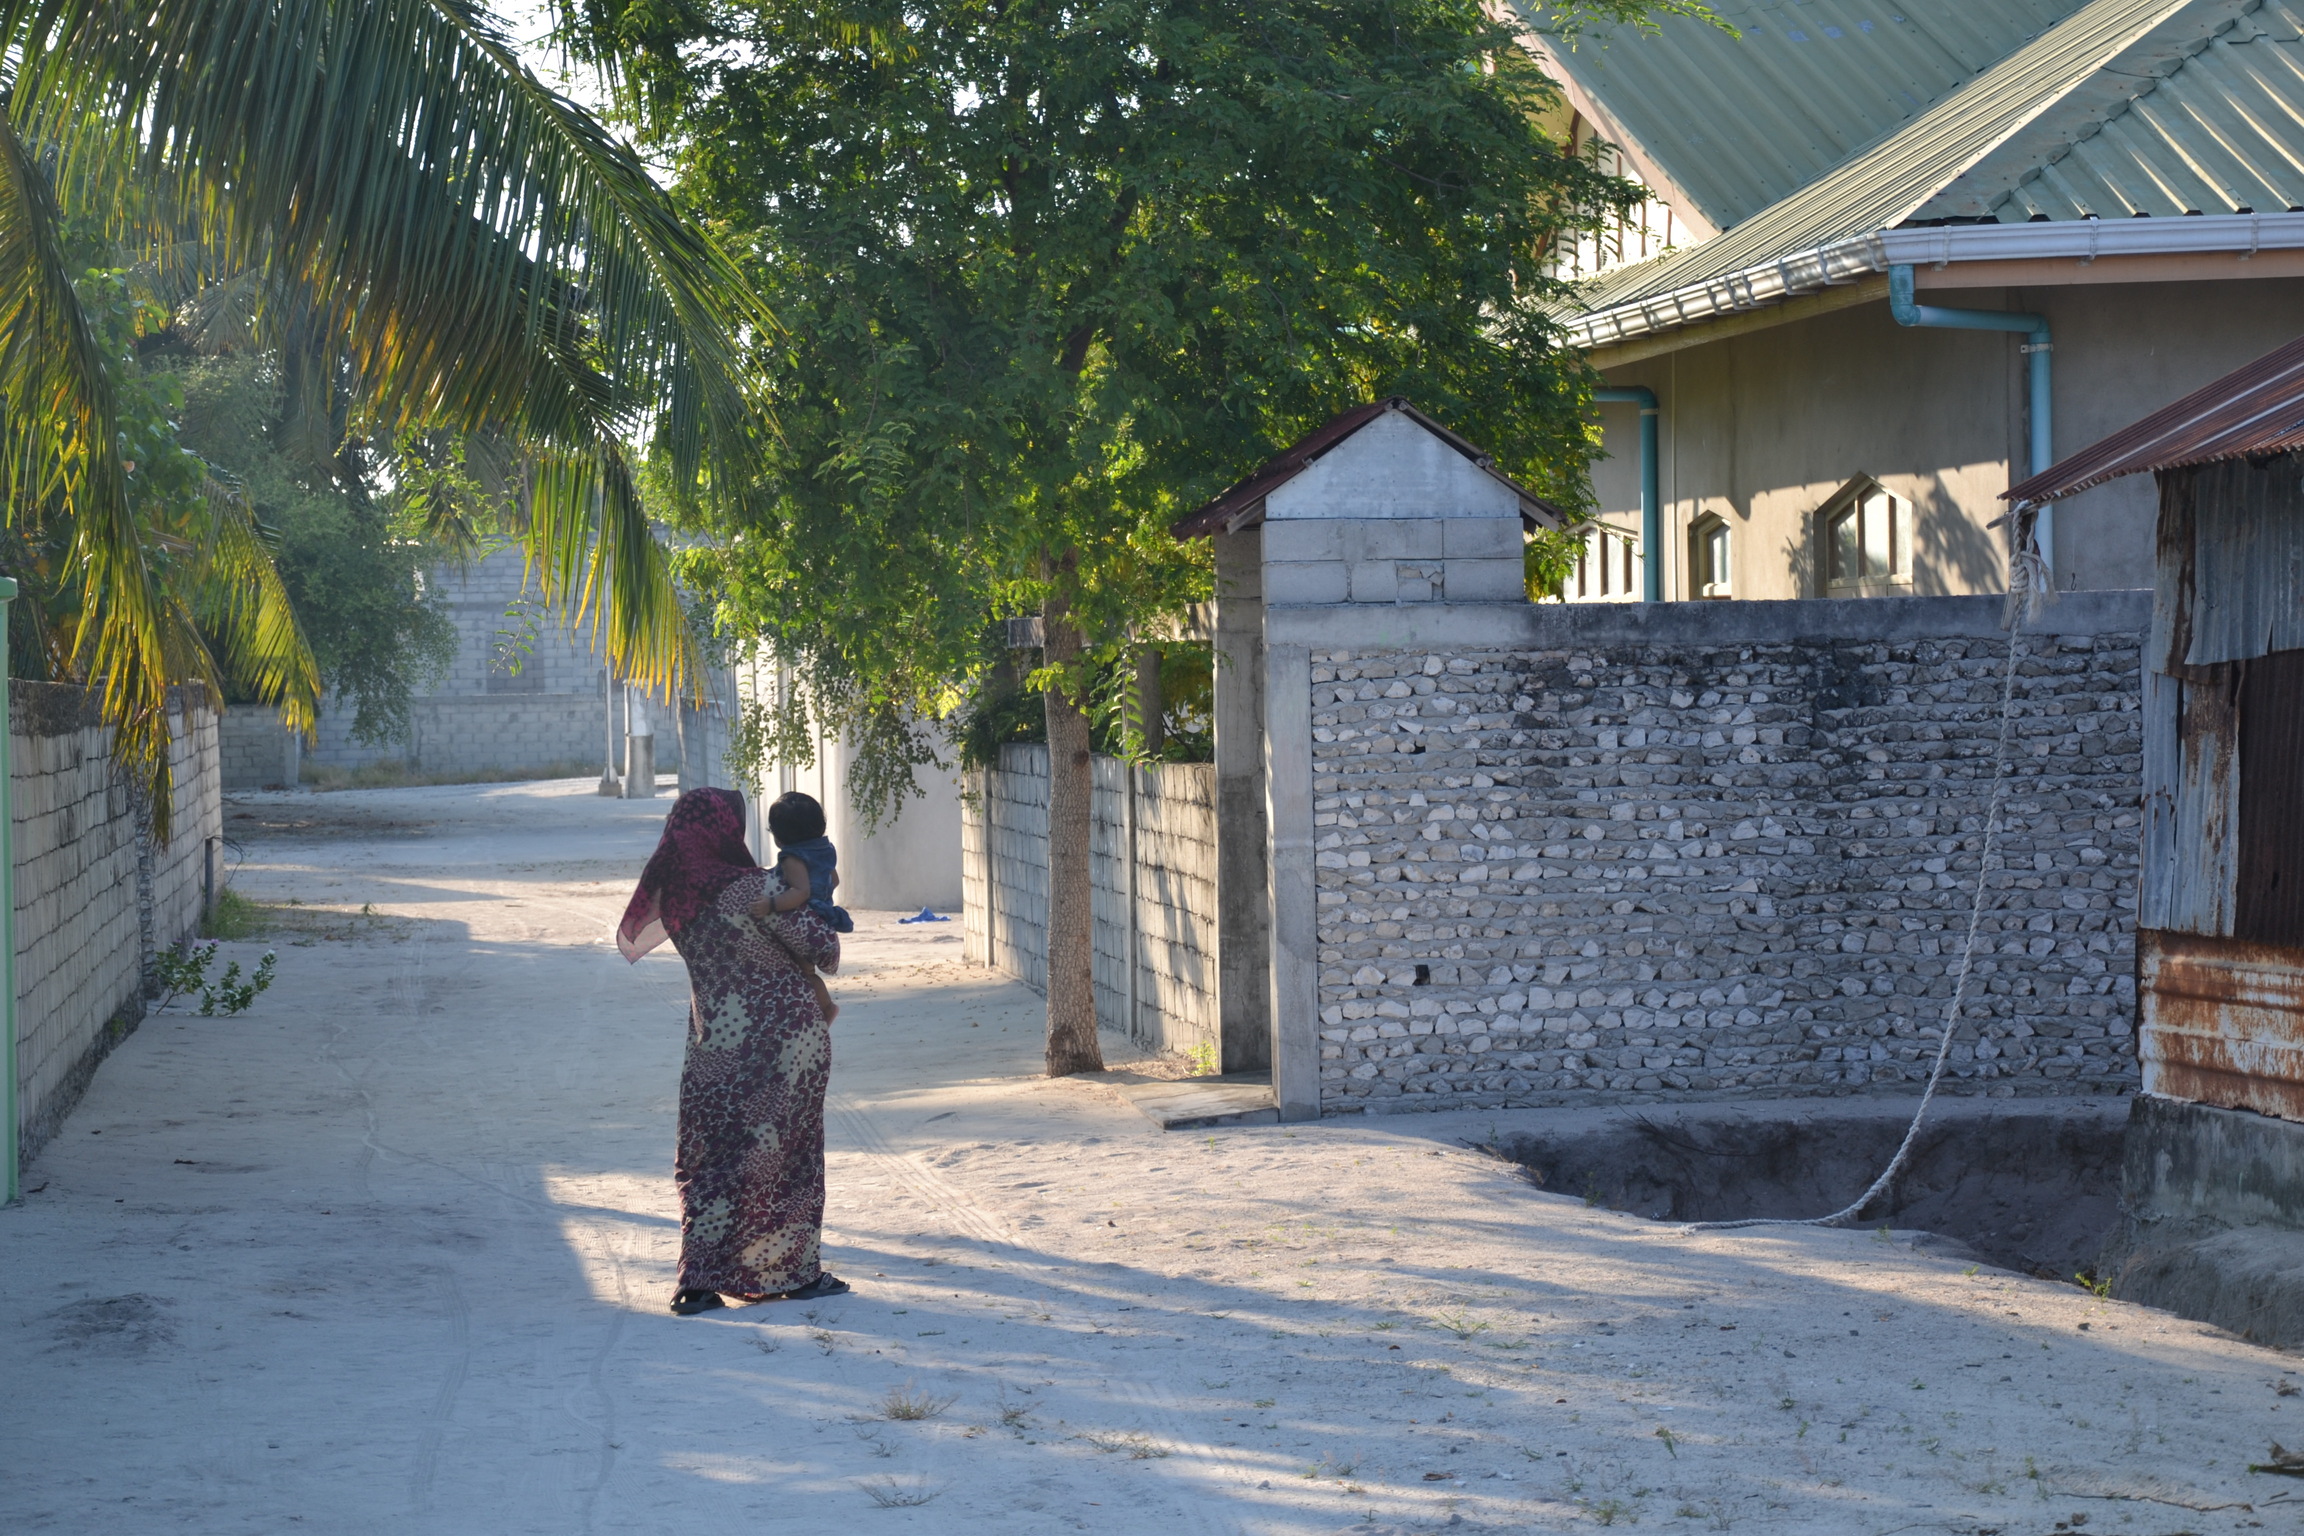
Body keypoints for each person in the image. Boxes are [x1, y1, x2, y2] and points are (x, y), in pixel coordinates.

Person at [617, 787, 850, 1315]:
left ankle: (697, 1281)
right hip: (787, 1045)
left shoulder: (676, 899)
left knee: (710, 1160)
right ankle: (792, 1272)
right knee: (787, 1157)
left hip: (716, 1047)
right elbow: (825, 950)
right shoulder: (757, 888)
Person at [749, 791, 851, 1025]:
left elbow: (801, 891)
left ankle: (826, 1008)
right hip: (823, 918)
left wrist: (771, 904)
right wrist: (823, 897)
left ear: (778, 836)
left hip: (808, 923)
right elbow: (833, 880)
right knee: (806, 972)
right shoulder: (823, 849)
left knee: (804, 973)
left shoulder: (792, 858)